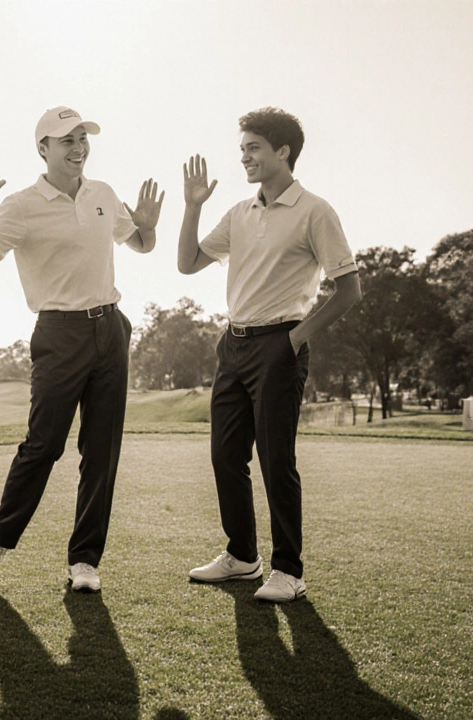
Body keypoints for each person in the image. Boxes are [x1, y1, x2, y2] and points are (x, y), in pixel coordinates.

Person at [0, 106, 162, 593]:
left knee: (101, 450)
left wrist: (150, 225)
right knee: (44, 445)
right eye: (66, 140)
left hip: (110, 329)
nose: (78, 148)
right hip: (58, 333)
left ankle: (84, 561)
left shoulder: (103, 194)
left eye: (82, 139)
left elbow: (142, 244)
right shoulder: (21, 205)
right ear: (43, 149)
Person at [178, 107, 362, 602]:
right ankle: (242, 556)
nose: (245, 157)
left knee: (276, 459)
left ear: (283, 151)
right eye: (242, 149)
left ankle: (289, 570)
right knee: (224, 456)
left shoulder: (315, 211)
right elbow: (187, 263)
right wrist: (193, 204)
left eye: (253, 147)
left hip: (279, 343)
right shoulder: (240, 213)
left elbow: (349, 290)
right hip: (232, 345)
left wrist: (295, 339)